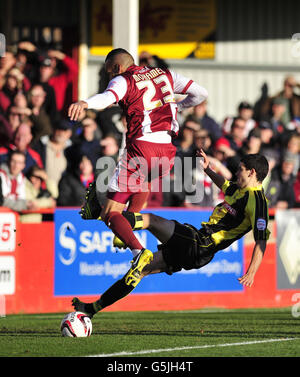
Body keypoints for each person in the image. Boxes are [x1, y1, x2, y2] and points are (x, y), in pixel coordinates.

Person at [72, 151, 270, 318]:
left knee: (151, 220)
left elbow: (261, 240)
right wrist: (208, 169)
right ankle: (91, 309)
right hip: (199, 247)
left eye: (240, 169)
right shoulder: (239, 190)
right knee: (140, 271)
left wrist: (252, 271)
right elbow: (224, 184)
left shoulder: (258, 202)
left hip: (202, 244)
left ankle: (101, 213)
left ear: (252, 172)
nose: (236, 172)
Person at [68, 48, 208, 275]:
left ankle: (138, 252)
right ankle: (129, 226)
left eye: (108, 73)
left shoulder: (124, 79)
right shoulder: (165, 74)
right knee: (143, 184)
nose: (109, 78)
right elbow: (200, 93)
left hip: (142, 148)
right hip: (167, 152)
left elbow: (107, 97)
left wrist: (85, 103)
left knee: (109, 213)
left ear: (117, 67)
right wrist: (173, 106)